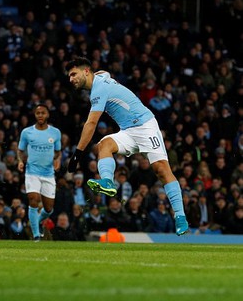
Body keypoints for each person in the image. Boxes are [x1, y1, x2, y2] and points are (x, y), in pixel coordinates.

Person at [65, 57, 188, 236]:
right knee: (104, 145)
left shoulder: (98, 90)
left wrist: (77, 154)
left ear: (86, 71)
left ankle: (180, 216)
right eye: (69, 76)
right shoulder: (100, 77)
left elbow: (91, 123)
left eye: (74, 74)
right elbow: (103, 73)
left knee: (161, 169)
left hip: (146, 125)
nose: (71, 79)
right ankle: (108, 181)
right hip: (128, 130)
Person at [17, 104, 61, 241]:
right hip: (32, 172)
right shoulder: (27, 132)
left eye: (43, 113)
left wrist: (58, 160)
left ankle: (39, 221)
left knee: (48, 209)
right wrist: (20, 161)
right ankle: (36, 235)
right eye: (38, 113)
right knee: (33, 199)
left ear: (47, 115)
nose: (40, 115)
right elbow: (20, 150)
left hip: (48, 173)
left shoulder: (55, 133)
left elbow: (58, 152)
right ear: (35, 115)